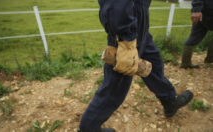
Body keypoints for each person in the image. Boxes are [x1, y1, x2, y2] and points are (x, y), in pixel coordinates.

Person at [78, 0, 193, 132]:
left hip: (138, 23)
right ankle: (88, 128)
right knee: (117, 84)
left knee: (153, 64)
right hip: (127, 25)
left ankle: (169, 101)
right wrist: (125, 39)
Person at [181, 0, 213, 68]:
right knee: (193, 38)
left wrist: (196, 10)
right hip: (205, 11)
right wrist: (196, 10)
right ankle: (210, 60)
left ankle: (185, 63)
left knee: (193, 38)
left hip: (203, 11)